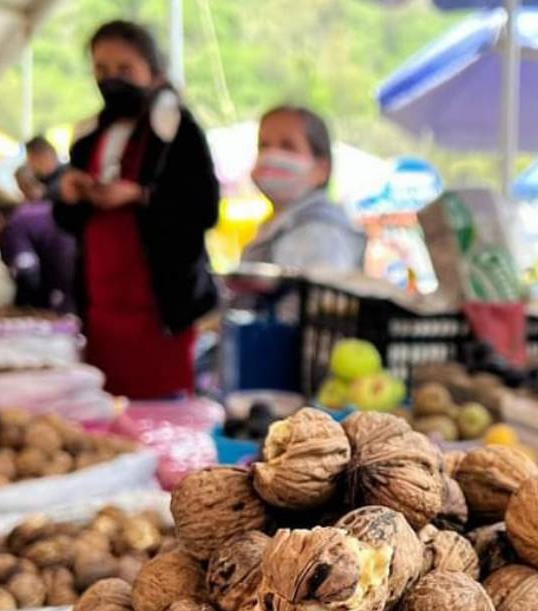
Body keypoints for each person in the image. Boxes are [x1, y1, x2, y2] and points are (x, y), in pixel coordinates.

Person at [53, 20, 219, 399]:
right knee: (107, 405)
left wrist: (140, 196)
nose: (112, 79)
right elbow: (68, 223)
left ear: (152, 71)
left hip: (160, 313)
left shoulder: (178, 129)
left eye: (125, 69)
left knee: (162, 409)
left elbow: (204, 209)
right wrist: (70, 194)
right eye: (102, 69)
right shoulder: (88, 135)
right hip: (101, 310)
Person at [240, 105, 364, 270]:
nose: (271, 156)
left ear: (322, 169)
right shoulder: (281, 226)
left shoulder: (319, 232)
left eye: (287, 146)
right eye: (264, 145)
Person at [0, 188, 76, 314]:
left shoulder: (12, 228)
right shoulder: (31, 210)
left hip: (65, 283)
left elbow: (28, 276)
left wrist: (20, 310)